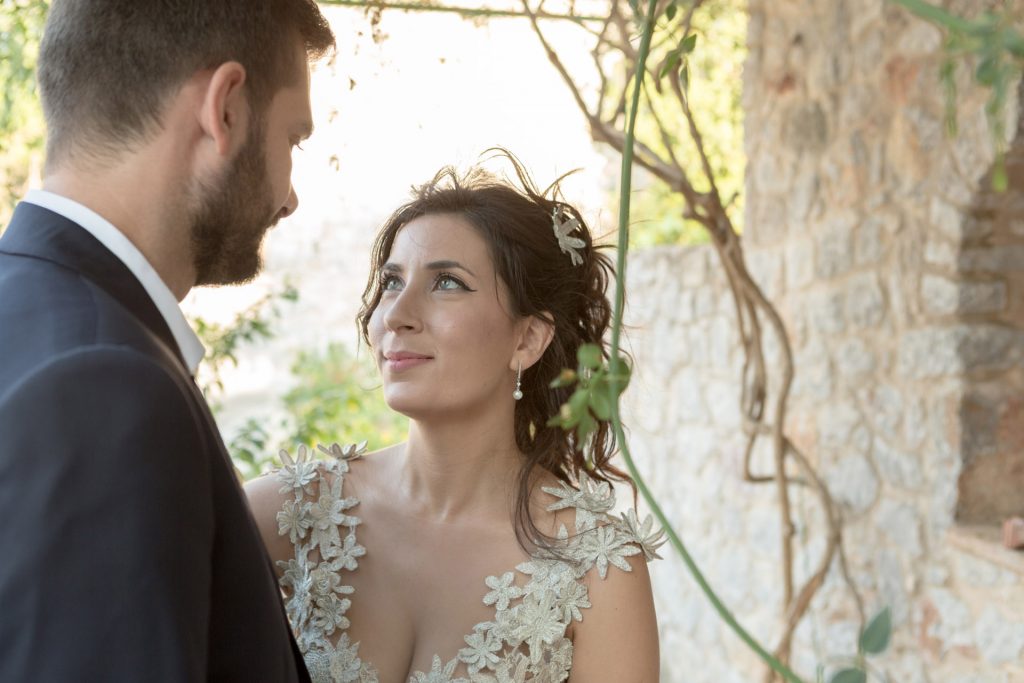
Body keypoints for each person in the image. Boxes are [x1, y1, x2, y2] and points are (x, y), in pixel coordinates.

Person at [0, 2, 334, 680]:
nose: (290, 195)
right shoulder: (106, 385)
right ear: (226, 109)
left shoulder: (26, 313)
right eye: (293, 139)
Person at [246, 153, 664, 682]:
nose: (396, 315)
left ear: (528, 338)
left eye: (447, 283)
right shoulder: (297, 512)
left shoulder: (597, 570)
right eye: (392, 282)